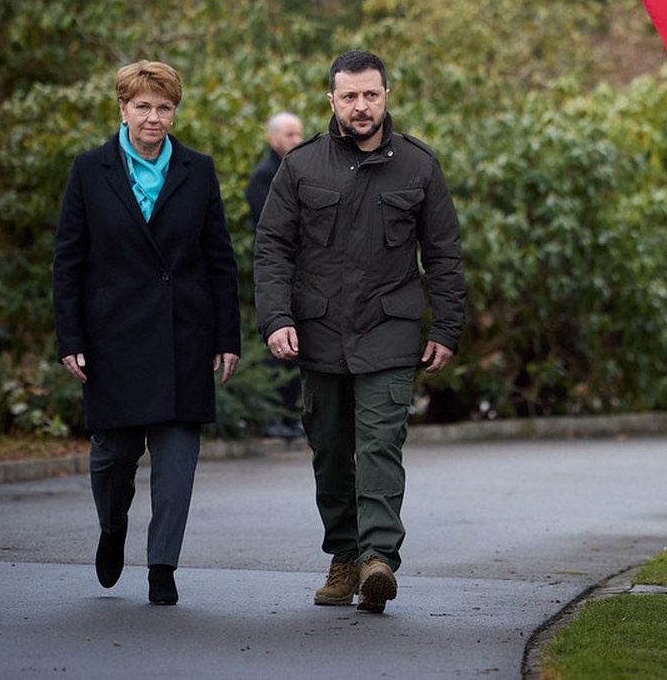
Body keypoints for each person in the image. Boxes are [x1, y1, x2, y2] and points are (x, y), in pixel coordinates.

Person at [253, 49, 466, 614]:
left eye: (371, 94)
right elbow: (271, 247)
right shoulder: (300, 166)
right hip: (319, 333)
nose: (361, 106)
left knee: (378, 446)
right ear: (332, 101)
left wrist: (445, 327)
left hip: (390, 331)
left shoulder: (419, 166)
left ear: (386, 96)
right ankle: (344, 558)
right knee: (329, 451)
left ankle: (377, 559)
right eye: (349, 96)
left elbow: (443, 253)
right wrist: (277, 318)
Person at [53, 60, 241, 606]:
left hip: (184, 334)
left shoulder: (198, 170)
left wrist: (226, 336)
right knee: (112, 458)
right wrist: (71, 338)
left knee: (177, 464)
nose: (153, 117)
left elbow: (219, 260)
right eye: (143, 107)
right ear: (123, 108)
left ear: (174, 111)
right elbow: (68, 262)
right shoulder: (90, 170)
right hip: (113, 340)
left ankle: (163, 567)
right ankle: (113, 527)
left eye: (163, 107)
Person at [245, 111, 306, 438]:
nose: (295, 140)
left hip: (305, 271)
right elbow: (271, 228)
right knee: (278, 344)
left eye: (298, 134)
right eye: (288, 135)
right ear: (272, 139)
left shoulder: (303, 170)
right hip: (279, 272)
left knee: (300, 347)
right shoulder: (263, 176)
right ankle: (270, 416)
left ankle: (288, 414)